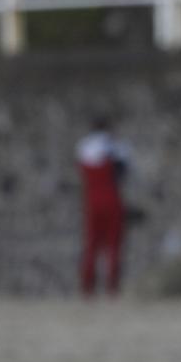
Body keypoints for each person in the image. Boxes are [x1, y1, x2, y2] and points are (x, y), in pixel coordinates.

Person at [76, 117, 130, 296]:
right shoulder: (115, 147)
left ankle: (87, 287)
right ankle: (112, 287)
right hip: (111, 198)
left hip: (92, 199)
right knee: (113, 245)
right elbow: (125, 172)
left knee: (91, 244)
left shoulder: (83, 147)